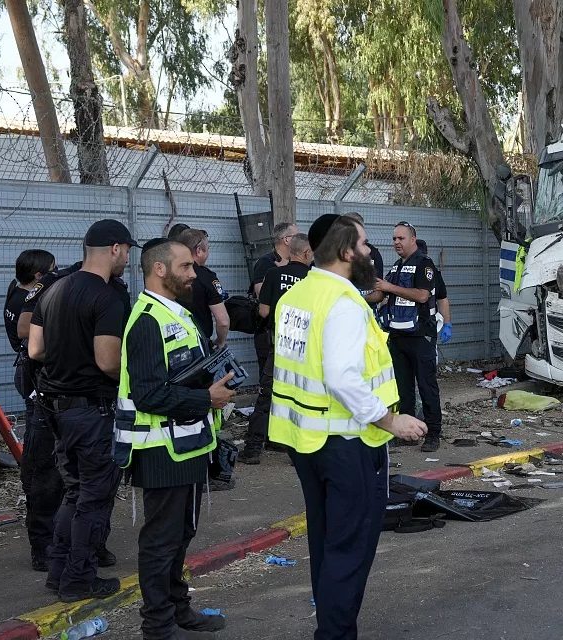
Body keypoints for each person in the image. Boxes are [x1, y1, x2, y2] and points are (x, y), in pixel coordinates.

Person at [269, 214, 427, 639]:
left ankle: (330, 624)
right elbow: (341, 377)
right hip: (346, 445)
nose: (370, 252)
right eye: (362, 244)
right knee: (349, 550)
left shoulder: (297, 297)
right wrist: (391, 420)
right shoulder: (342, 303)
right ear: (344, 253)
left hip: (306, 441)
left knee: (325, 542)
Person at [116, 238, 235, 640]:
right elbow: (149, 393)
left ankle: (178, 609)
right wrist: (208, 397)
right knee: (161, 541)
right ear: (160, 270)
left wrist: (212, 382)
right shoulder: (147, 319)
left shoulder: (177, 313)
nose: (193, 273)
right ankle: (158, 626)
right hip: (160, 450)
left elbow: (180, 374)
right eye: (185, 266)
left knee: (180, 535)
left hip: (187, 445)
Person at [29, 219, 136, 602]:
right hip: (93, 411)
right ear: (115, 249)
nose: (127, 259)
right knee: (93, 497)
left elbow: (35, 350)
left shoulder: (54, 290)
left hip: (57, 409)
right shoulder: (106, 296)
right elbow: (108, 360)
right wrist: (139, 375)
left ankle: (59, 572)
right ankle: (79, 579)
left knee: (74, 493)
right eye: (127, 251)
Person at [237, 233, 314, 465]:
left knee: (267, 395)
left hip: (279, 344)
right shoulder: (314, 278)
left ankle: (252, 449)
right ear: (307, 253)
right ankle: (299, 450)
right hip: (306, 347)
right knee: (302, 397)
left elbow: (263, 311)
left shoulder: (274, 274)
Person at [6, 249, 58, 571]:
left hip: (26, 373)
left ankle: (32, 480)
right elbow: (27, 332)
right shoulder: (28, 300)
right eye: (52, 271)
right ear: (39, 276)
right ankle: (33, 486)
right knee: (40, 445)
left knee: (35, 439)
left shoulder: (15, 291)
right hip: (32, 375)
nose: (56, 274)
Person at [375, 222, 443, 453]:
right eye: (394, 239)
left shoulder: (425, 264)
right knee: (402, 389)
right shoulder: (395, 267)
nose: (396, 242)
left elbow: (422, 296)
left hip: (420, 335)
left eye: (401, 238)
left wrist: (389, 288)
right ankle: (407, 432)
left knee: (426, 386)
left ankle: (433, 433)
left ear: (413, 239)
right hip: (397, 335)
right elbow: (379, 292)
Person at [175, 229, 229, 349]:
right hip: (198, 345)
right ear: (199, 250)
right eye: (208, 249)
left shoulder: (169, 274)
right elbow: (223, 321)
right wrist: (220, 342)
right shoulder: (206, 277)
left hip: (172, 345)